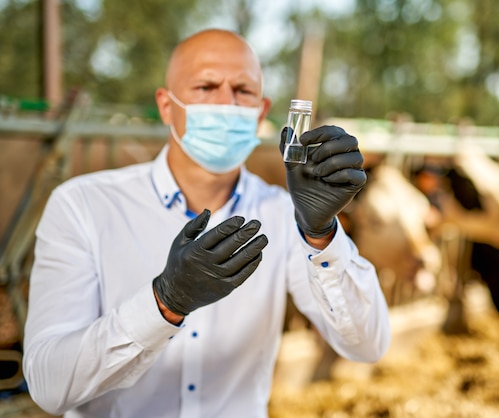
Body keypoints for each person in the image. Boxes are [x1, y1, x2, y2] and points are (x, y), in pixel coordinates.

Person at [23, 29, 391, 417]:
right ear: (166, 106)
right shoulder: (84, 205)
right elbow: (48, 386)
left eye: (243, 91)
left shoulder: (284, 215)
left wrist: (322, 236)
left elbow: (368, 345)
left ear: (262, 113)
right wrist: (165, 302)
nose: (226, 104)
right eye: (206, 86)